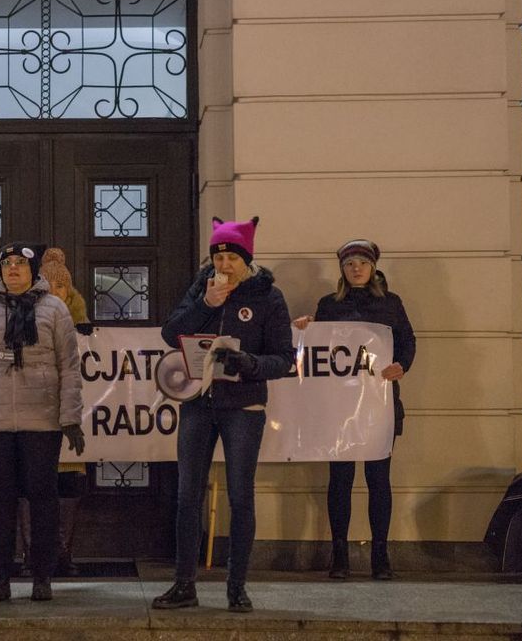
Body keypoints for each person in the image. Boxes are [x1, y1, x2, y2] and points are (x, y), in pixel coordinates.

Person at [154, 217, 295, 613]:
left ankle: (237, 586)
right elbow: (170, 333)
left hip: (243, 407)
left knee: (240, 495)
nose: (224, 265)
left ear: (246, 260)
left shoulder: (269, 296)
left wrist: (248, 362)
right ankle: (184, 584)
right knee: (187, 495)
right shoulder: (203, 288)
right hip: (198, 403)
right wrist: (206, 304)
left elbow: (284, 358)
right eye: (218, 257)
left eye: (232, 257)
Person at [0, 242, 85, 602]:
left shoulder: (55, 309)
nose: (12, 269)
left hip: (41, 421)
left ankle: (42, 575)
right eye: (6, 263)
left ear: (32, 270)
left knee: (43, 499)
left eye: (19, 264)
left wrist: (70, 418)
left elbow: (69, 367)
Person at [292, 239, 415, 580]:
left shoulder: (391, 303)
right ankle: (340, 555)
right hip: (340, 406)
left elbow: (407, 341)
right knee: (340, 479)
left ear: (373, 267)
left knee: (379, 479)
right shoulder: (329, 304)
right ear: (342, 270)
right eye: (349, 264)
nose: (356, 268)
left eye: (362, 262)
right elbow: (319, 345)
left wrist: (402, 365)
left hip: (379, 403)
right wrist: (305, 328)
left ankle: (380, 556)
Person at [16, 249, 90, 577]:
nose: (55, 292)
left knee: (68, 483)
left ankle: (61, 553)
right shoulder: (23, 318)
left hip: (67, 421)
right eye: (49, 285)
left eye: (61, 286)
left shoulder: (83, 327)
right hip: (35, 418)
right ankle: (32, 553)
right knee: (31, 483)